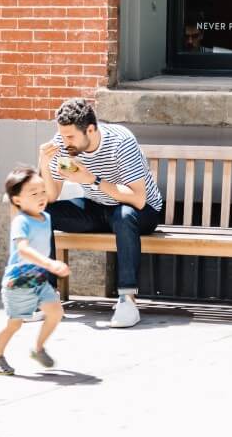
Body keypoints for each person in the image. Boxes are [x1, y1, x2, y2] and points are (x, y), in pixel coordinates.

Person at [40, 98, 164, 328]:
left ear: (90, 129)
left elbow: (138, 198)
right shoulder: (63, 142)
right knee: (44, 213)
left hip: (142, 211)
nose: (64, 141)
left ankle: (127, 300)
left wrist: (92, 179)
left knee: (124, 216)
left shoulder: (120, 141)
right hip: (98, 207)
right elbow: (51, 196)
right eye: (62, 135)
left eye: (70, 136)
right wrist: (44, 165)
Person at [0, 166, 70, 376]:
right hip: (19, 282)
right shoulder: (21, 222)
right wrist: (51, 264)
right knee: (14, 324)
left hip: (39, 279)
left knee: (56, 312)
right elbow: (23, 250)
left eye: (43, 191)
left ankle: (38, 348)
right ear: (17, 200)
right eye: (34, 194)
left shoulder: (46, 217)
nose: (41, 197)